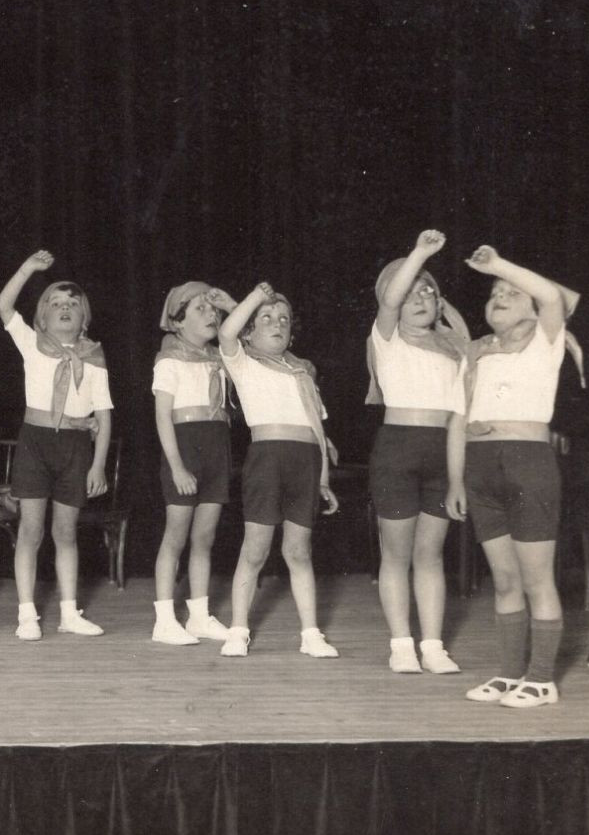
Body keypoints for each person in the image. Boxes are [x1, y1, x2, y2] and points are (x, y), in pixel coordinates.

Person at [455, 246, 582, 708]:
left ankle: (542, 679)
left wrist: (498, 265)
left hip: (528, 463)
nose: (501, 295)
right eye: (494, 293)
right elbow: (462, 417)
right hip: (482, 467)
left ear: (533, 307)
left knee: (536, 580)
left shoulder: (547, 339)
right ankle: (510, 675)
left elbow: (551, 296)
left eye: (513, 292)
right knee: (505, 581)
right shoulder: (480, 353)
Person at [0, 250, 114, 641]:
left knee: (66, 531)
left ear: (84, 318)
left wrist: (97, 465)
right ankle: (27, 614)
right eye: (55, 304)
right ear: (41, 318)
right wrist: (28, 269)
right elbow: (3, 304)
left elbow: (105, 414)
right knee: (31, 529)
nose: (64, 308)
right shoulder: (31, 343)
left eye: (72, 304)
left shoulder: (94, 357)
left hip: (77, 447)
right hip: (36, 442)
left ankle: (68, 612)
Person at [216, 282, 340, 659]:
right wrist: (255, 297)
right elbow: (226, 331)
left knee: (299, 551)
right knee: (255, 550)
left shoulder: (303, 372)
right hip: (267, 459)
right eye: (267, 319)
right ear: (251, 331)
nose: (277, 323)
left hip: (305, 462)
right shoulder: (244, 362)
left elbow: (318, 430)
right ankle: (238, 631)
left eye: (284, 319)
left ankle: (311, 634)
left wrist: (323, 480)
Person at [366, 231, 469, 674]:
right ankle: (401, 644)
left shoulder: (455, 349)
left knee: (431, 554)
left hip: (442, 454)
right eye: (410, 291)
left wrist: (459, 478)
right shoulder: (386, 337)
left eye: (428, 289)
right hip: (397, 450)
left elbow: (461, 418)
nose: (419, 296)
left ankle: (433, 644)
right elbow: (389, 300)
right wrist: (422, 253)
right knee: (397, 554)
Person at [148, 282, 237, 645]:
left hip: (217, 446)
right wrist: (177, 466)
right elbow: (162, 417)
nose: (210, 315)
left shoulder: (220, 358)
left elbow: (247, 341)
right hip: (184, 448)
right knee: (176, 535)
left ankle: (199, 616)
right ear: (178, 322)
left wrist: (229, 305)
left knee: (205, 537)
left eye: (213, 309)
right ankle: (165, 619)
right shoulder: (169, 360)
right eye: (200, 309)